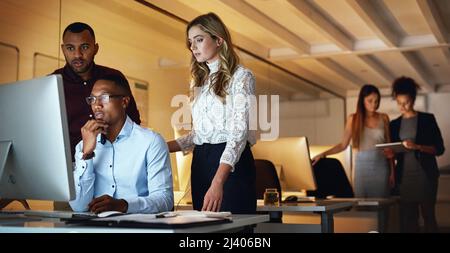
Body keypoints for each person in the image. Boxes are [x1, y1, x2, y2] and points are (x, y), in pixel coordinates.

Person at [167, 13, 256, 214]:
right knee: (204, 231)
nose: (193, 47)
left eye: (199, 39)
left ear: (218, 40)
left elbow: (238, 135)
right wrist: (160, 147)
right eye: (190, 42)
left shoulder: (242, 76)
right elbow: (200, 135)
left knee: (234, 234)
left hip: (230, 166)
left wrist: (218, 182)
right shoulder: (198, 80)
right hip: (201, 163)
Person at [69, 74, 173, 213]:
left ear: (124, 101)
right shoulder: (83, 146)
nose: (97, 105)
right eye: (93, 99)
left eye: (104, 97)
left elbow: (164, 200)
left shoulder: (151, 142)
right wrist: (87, 154)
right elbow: (79, 207)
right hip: (97, 229)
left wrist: (124, 205)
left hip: (138, 229)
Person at [52, 22, 141, 160]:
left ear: (96, 48)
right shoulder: (52, 85)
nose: (77, 55)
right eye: (70, 48)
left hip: (116, 162)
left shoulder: (114, 78)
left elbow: (133, 122)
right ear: (63, 49)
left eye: (85, 47)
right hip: (72, 168)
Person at [312, 84, 394, 198]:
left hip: (381, 167)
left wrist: (392, 173)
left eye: (376, 101)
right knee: (361, 206)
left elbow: (389, 147)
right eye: (370, 101)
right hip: (361, 168)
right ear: (362, 101)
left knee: (381, 207)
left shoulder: (384, 118)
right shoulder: (353, 119)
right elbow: (343, 145)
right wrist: (323, 154)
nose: (374, 104)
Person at [385, 76, 444, 233]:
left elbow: (439, 149)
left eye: (406, 102)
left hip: (426, 176)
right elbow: (395, 153)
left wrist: (417, 146)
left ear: (414, 99)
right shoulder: (394, 124)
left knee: (428, 217)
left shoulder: (427, 119)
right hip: (404, 178)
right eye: (399, 103)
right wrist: (391, 156)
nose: (402, 106)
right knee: (409, 220)